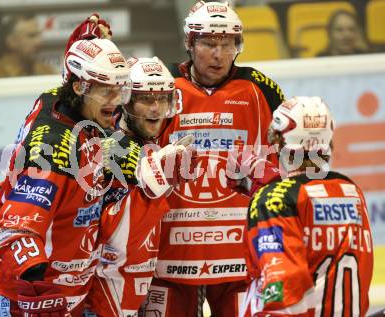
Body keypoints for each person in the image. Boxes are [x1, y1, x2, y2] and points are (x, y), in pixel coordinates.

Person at [0, 15, 195, 316]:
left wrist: (87, 40)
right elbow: (19, 228)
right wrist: (32, 269)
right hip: (29, 293)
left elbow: (101, 134)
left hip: (69, 286)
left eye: (121, 90)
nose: (118, 102)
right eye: (108, 91)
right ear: (80, 86)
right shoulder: (53, 152)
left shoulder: (60, 101)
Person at [140, 1, 285, 316]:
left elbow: (293, 153)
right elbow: (133, 152)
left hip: (239, 258)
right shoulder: (162, 89)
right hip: (171, 258)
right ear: (190, 43)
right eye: (208, 43)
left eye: (227, 43)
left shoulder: (261, 88)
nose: (218, 54)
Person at [238, 96, 374, 316]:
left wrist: (264, 193)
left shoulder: (273, 199)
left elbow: (281, 288)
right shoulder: (351, 191)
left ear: (278, 141)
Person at [84, 56, 188, 317]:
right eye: (145, 99)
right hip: (100, 293)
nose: (155, 109)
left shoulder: (148, 145)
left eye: (163, 99)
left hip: (131, 287)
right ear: (126, 101)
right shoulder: (109, 145)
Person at [0, 14, 55, 78]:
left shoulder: (47, 72)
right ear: (11, 42)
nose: (39, 42)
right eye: (31, 36)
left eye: (39, 35)